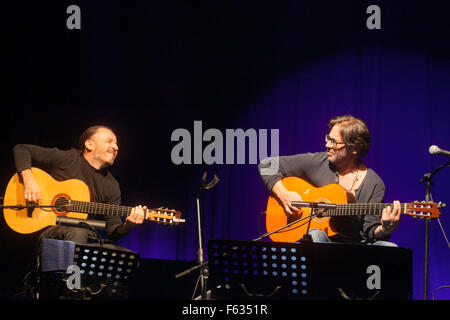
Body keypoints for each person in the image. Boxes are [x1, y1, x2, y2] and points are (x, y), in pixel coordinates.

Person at [258, 115, 401, 246]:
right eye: (328, 138)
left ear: (355, 148)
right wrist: (284, 194)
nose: (327, 145)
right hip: (320, 240)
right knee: (315, 234)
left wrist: (385, 229)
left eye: (334, 141)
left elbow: (370, 230)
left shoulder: (374, 183)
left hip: (356, 245)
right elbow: (267, 164)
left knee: (390, 247)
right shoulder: (318, 162)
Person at [13, 125, 146, 245]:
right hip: (48, 230)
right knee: (77, 233)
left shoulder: (111, 185)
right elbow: (21, 149)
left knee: (123, 255)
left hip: (84, 235)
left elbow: (113, 232)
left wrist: (128, 225)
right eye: (109, 141)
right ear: (89, 144)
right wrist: (29, 180)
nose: (116, 147)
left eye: (116, 144)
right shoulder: (67, 159)